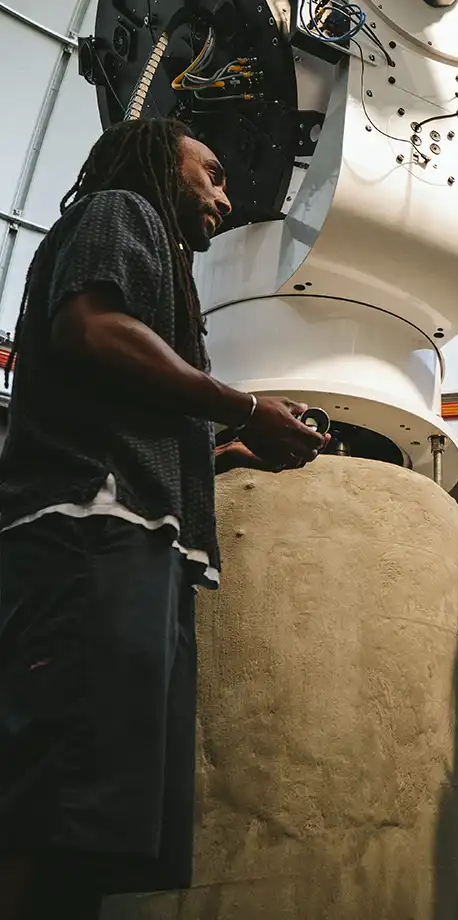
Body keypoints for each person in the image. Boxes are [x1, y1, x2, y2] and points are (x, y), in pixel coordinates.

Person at [0, 118, 329, 919]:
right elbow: (91, 328)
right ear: (158, 160)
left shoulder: (161, 261)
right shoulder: (120, 207)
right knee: (49, 809)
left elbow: (134, 404)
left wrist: (219, 449)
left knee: (90, 825)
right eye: (210, 173)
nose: (223, 193)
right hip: (92, 534)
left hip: (131, 541)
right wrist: (246, 408)